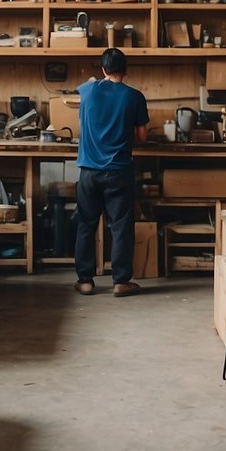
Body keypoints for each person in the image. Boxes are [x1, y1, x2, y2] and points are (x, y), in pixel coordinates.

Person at [73, 48, 149, 296]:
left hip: (89, 172)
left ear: (103, 69)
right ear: (125, 70)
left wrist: (97, 81)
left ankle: (85, 280)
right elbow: (142, 136)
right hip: (119, 171)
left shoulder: (88, 90)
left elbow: (84, 86)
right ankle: (120, 281)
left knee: (86, 224)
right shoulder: (135, 97)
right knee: (120, 226)